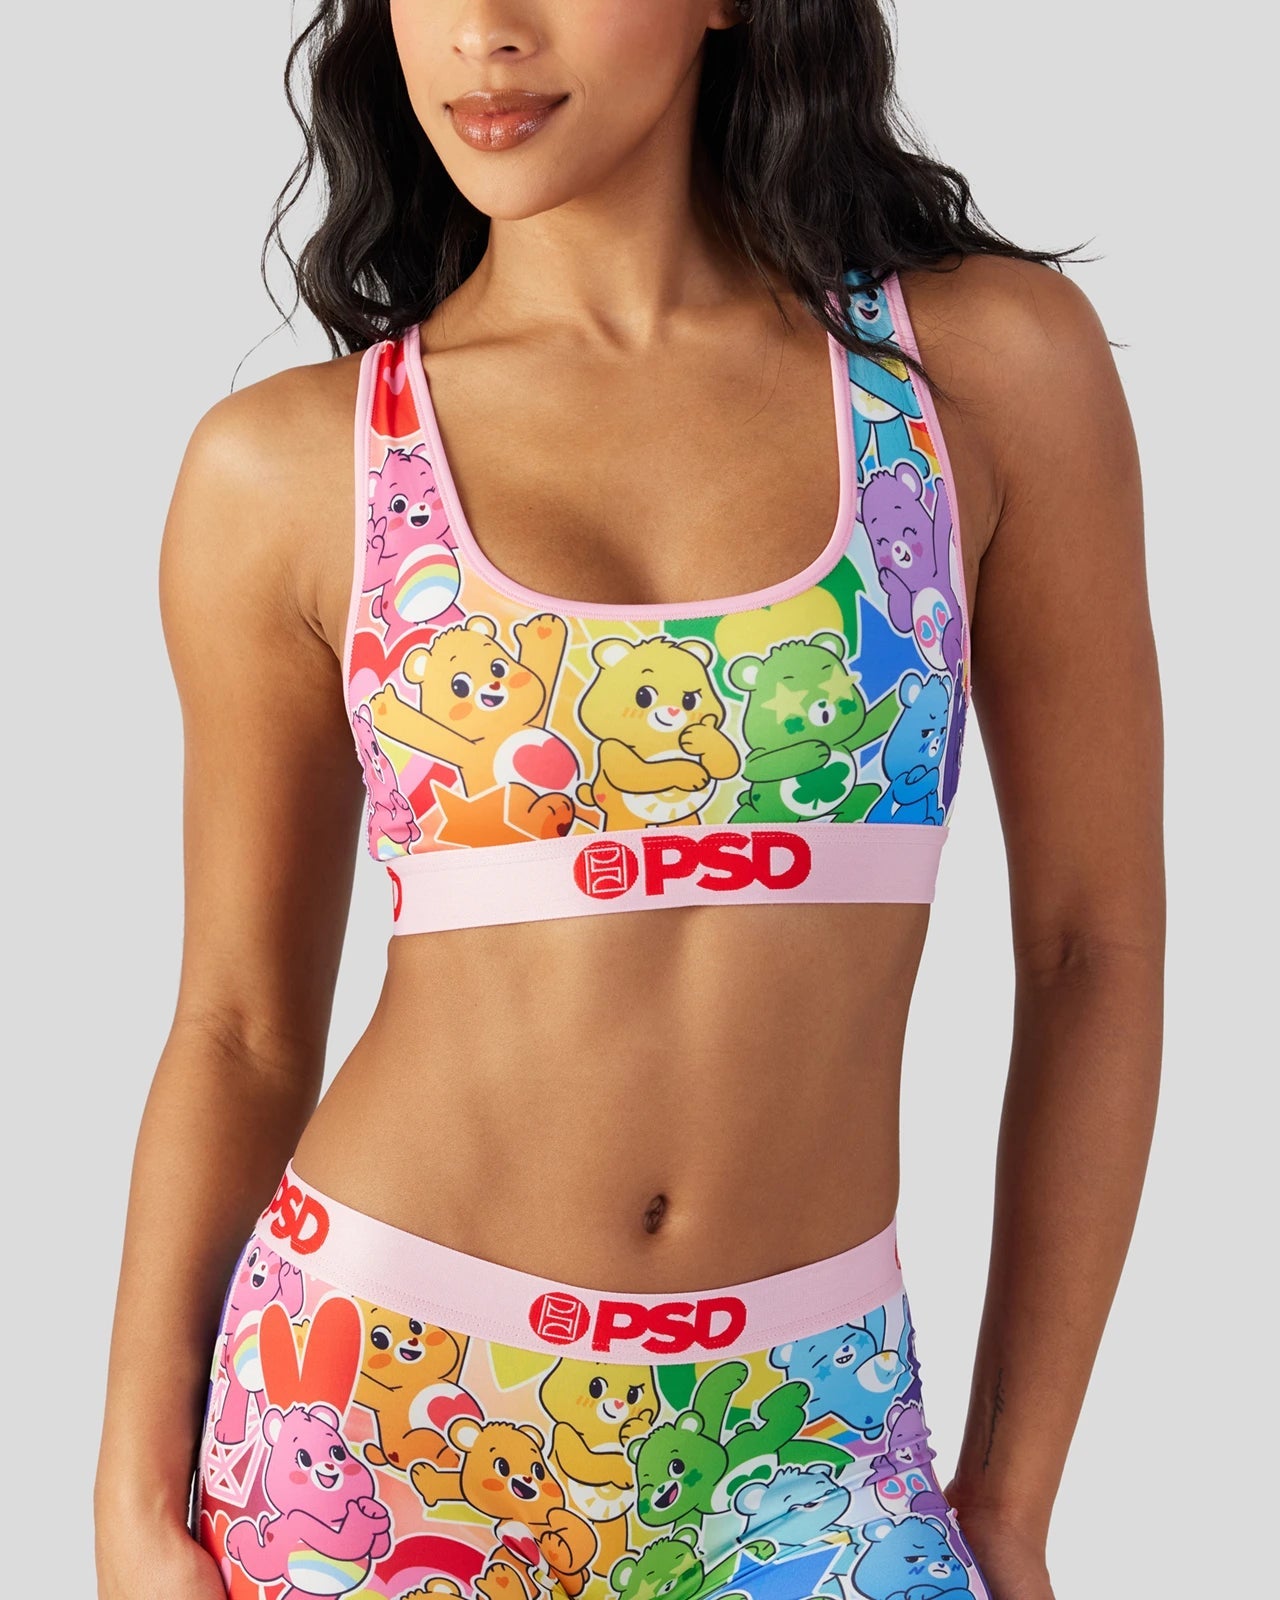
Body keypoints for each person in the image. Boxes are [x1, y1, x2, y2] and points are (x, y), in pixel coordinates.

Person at [93, 5, 1164, 1599]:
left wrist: (1010, 1495)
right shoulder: (293, 469)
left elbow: (1092, 950)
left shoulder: (981, 376)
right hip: (372, 1416)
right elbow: (240, 1026)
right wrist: (131, 1500)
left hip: (815, 1438)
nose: (485, 34)